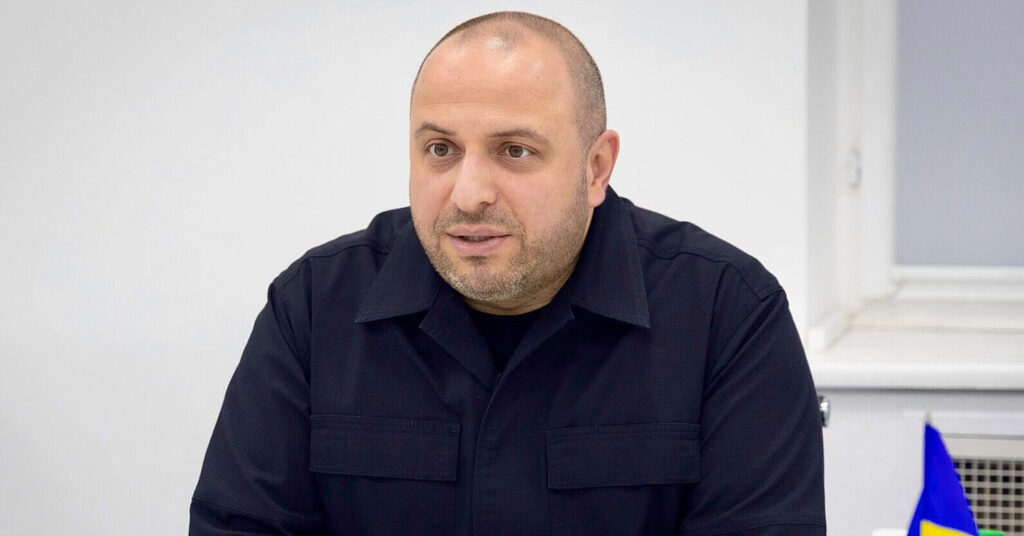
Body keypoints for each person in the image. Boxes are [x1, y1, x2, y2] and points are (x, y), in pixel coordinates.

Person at [190, 11, 825, 536]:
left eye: (514, 151)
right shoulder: (314, 307)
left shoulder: (726, 314)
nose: (469, 194)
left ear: (596, 168)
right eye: (440, 149)